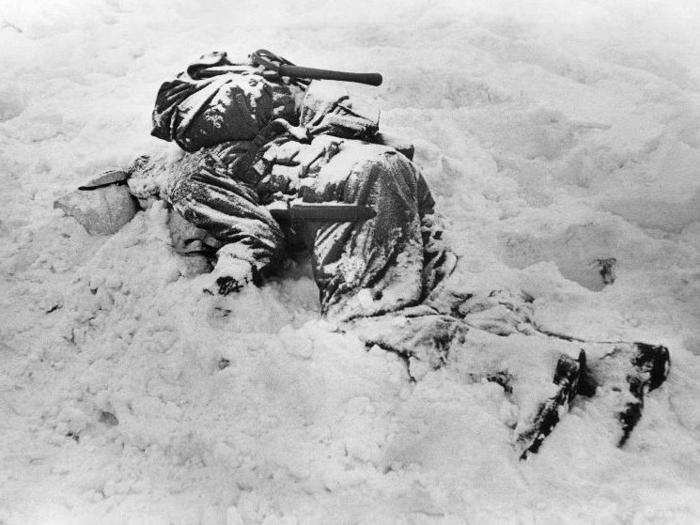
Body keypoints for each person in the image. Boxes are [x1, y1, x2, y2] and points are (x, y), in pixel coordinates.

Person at [122, 50, 669, 458]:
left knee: (369, 318)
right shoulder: (290, 109)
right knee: (444, 295)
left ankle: (525, 370)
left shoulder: (190, 170)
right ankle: (612, 366)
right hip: (392, 172)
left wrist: (232, 268)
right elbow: (365, 129)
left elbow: (255, 234)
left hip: (351, 195)